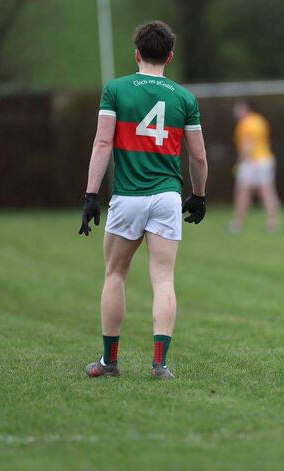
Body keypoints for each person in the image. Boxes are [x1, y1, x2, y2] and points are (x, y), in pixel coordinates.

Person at [78, 21, 208, 379]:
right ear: (170, 56)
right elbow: (198, 157)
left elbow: (103, 143)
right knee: (163, 279)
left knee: (115, 273)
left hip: (129, 197)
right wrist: (198, 195)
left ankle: (109, 362)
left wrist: (91, 194)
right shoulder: (184, 98)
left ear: (137, 54)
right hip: (167, 197)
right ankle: (160, 364)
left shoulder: (116, 90)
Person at [228, 100, 281, 233]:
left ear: (246, 109)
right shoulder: (260, 120)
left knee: (243, 192)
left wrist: (240, 162)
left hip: (252, 161)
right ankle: (273, 223)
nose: (236, 112)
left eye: (239, 109)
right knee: (267, 191)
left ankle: (237, 223)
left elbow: (248, 144)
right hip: (266, 159)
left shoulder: (246, 123)